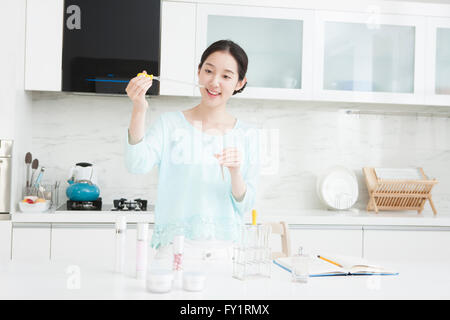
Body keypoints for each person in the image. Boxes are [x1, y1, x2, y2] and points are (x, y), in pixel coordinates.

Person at [125, 40, 259, 254]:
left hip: (226, 251)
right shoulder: (169, 124)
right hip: (175, 248)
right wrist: (139, 108)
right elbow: (136, 164)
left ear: (240, 83)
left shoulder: (247, 136)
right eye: (208, 71)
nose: (214, 82)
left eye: (226, 76)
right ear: (198, 72)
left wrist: (235, 174)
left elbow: (246, 205)